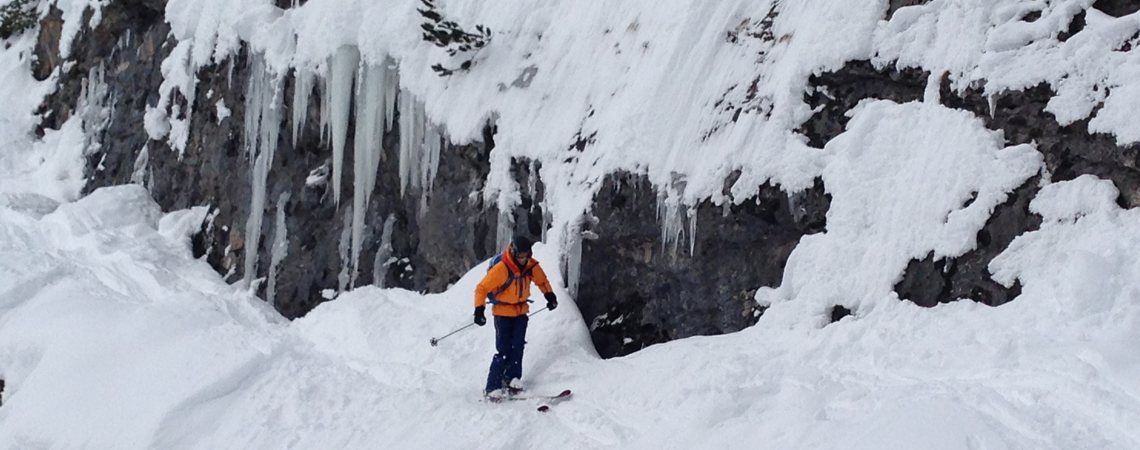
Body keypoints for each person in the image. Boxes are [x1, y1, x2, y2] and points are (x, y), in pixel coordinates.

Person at [473, 235, 558, 398]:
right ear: (513, 252)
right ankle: (492, 386)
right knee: (503, 349)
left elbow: (542, 281)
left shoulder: (530, 266)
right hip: (502, 313)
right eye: (520, 256)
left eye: (526, 256)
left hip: (521, 312)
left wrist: (550, 296)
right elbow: (481, 288)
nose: (523, 259)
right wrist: (479, 310)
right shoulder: (502, 268)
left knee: (518, 346)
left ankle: (513, 377)